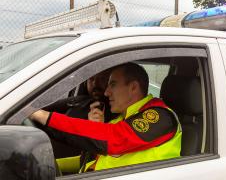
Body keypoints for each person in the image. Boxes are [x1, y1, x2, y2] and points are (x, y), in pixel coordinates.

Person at [30, 62, 182, 172]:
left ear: (133, 87)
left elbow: (114, 138)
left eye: (113, 85)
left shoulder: (159, 116)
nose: (106, 92)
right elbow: (101, 160)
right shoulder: (120, 120)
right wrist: (54, 166)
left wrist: (43, 115)